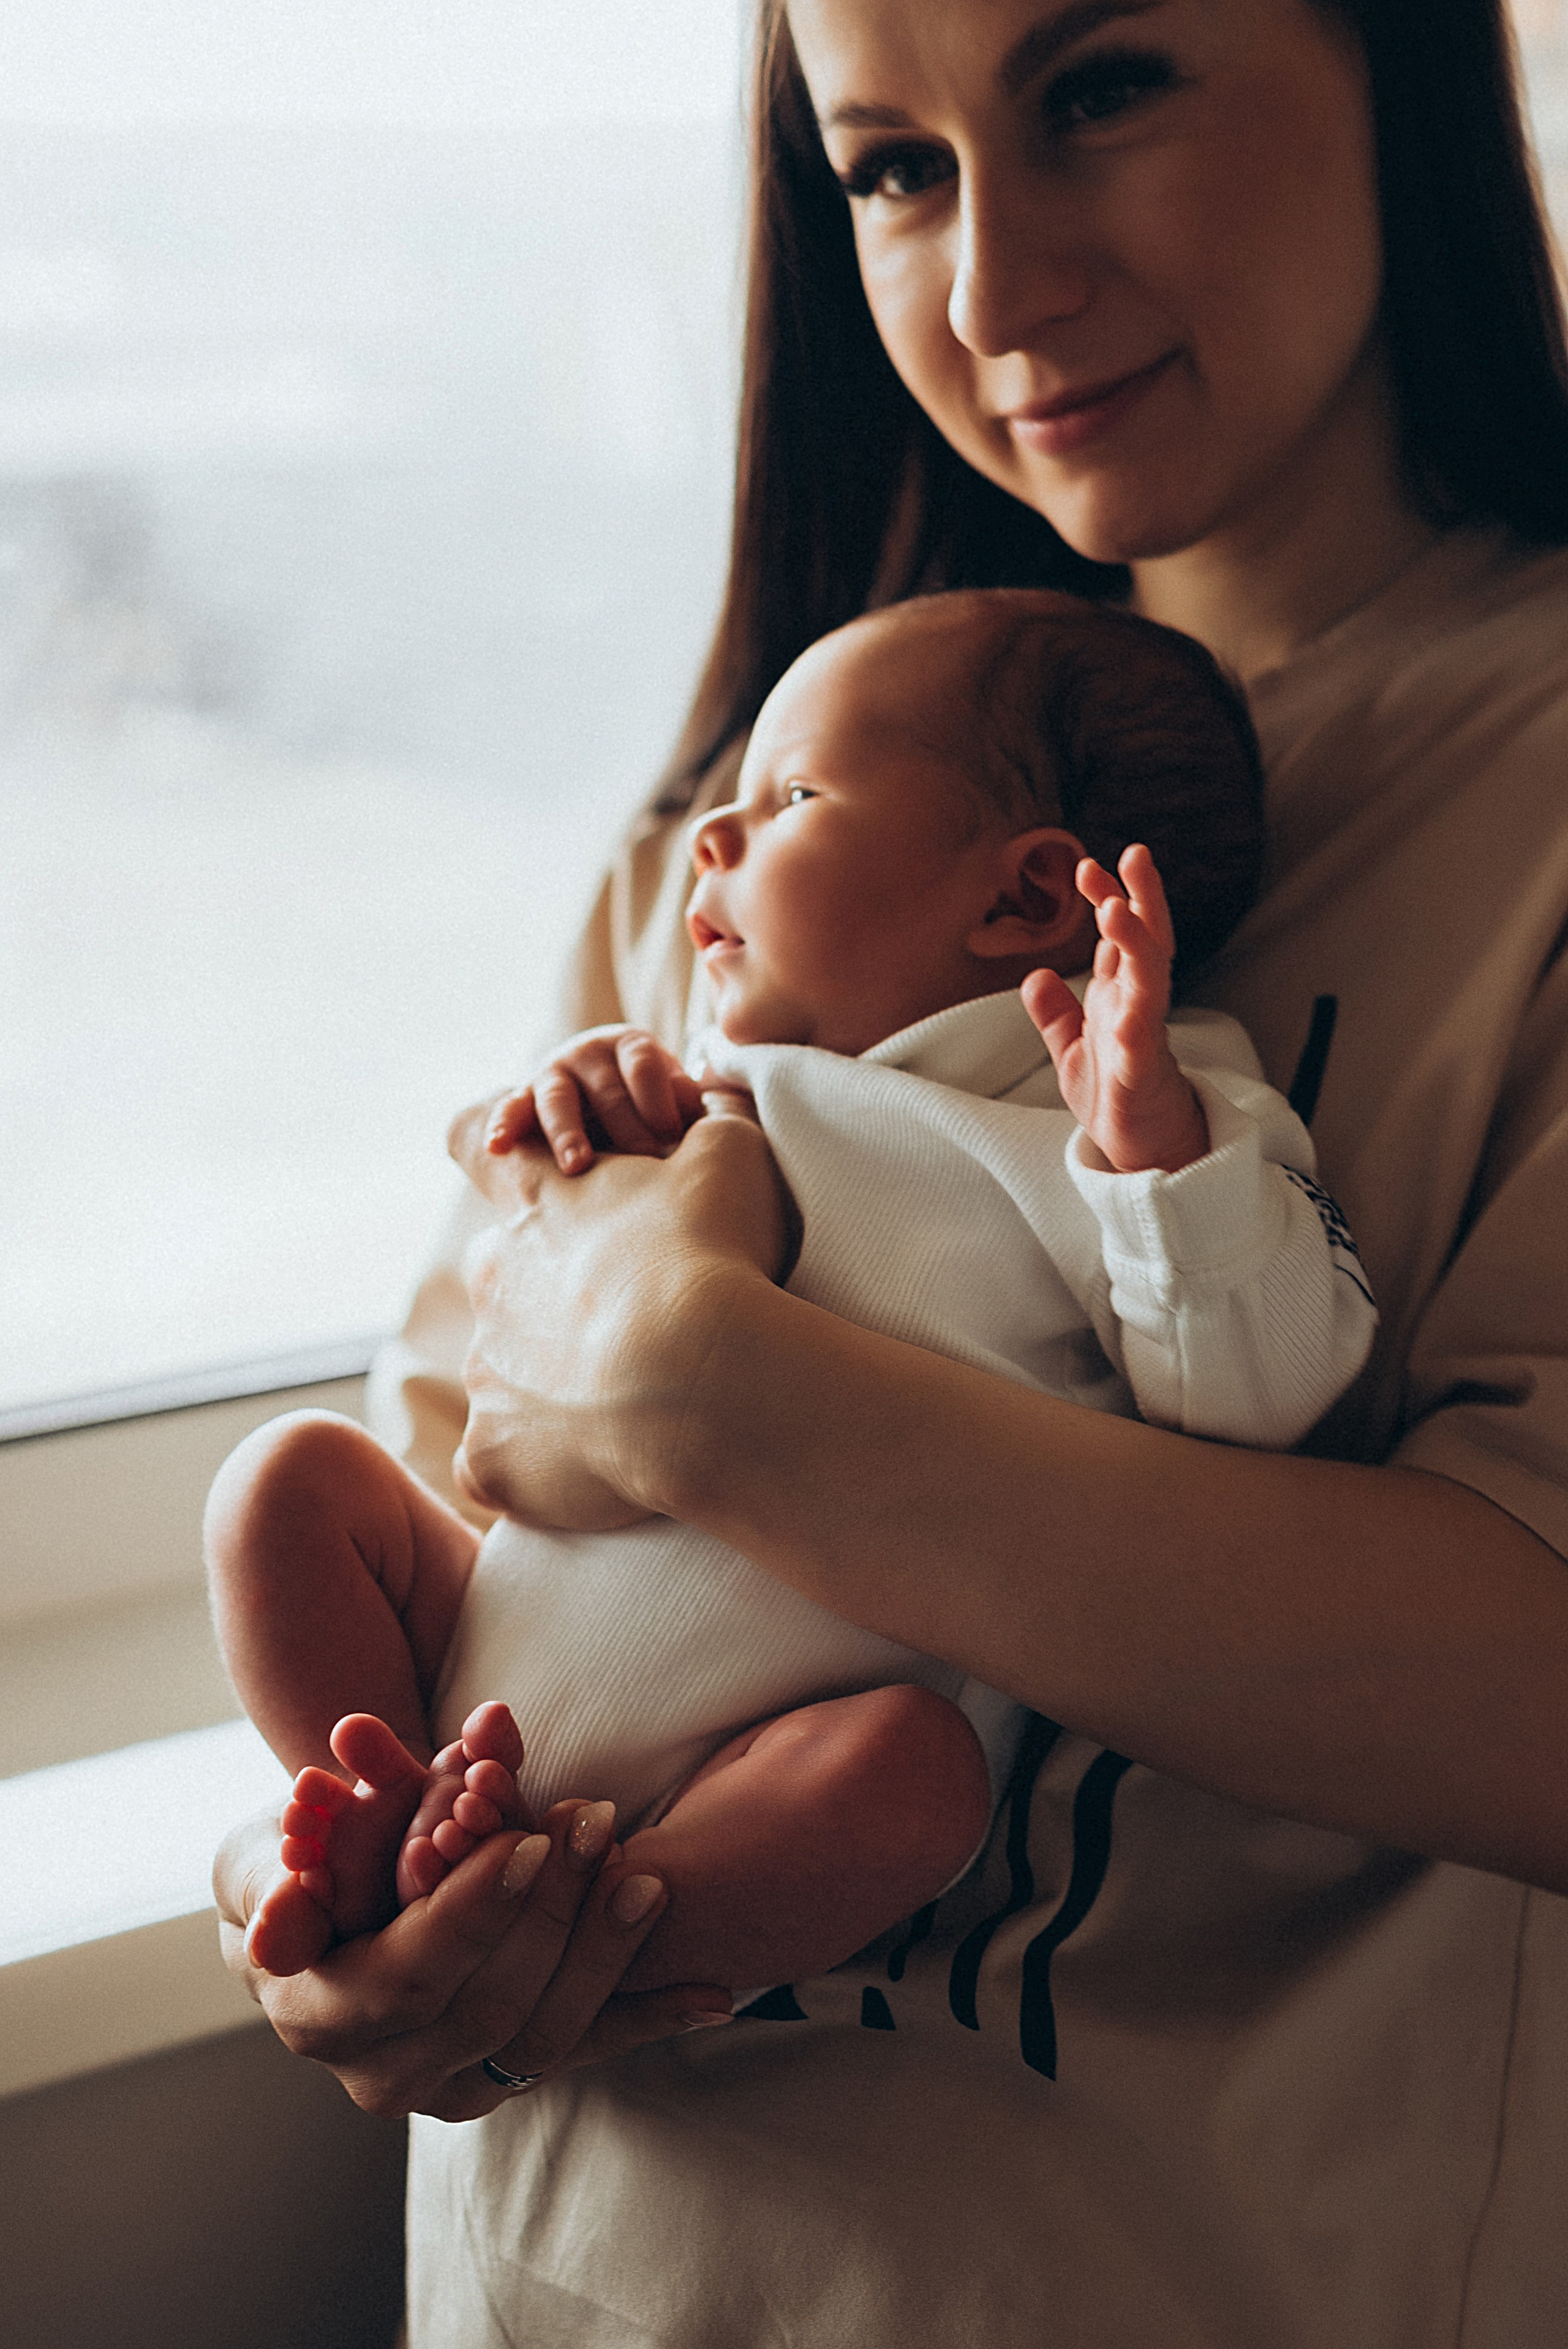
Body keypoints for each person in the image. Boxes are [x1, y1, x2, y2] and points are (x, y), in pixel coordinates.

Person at [213, 1, 1568, 2342]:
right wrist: (321, 1900)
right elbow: (463, 1555)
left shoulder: (1523, 793)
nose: (989, 288)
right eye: (888, 171)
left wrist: (695, 1378)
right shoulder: (748, 845)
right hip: (561, 2274)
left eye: (1100, 88)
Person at [206, 586, 1374, 1996]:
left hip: (760, 1760)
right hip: (475, 1655)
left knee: (912, 1780)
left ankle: (574, 1940)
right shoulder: (711, 1079)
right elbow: (511, 1323)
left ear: (1016, 896)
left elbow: (1262, 1395)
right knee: (285, 1483)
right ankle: (377, 1796)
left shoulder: (1120, 1109)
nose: (715, 835)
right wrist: (573, 1109)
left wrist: (1154, 1162)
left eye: (792, 794)